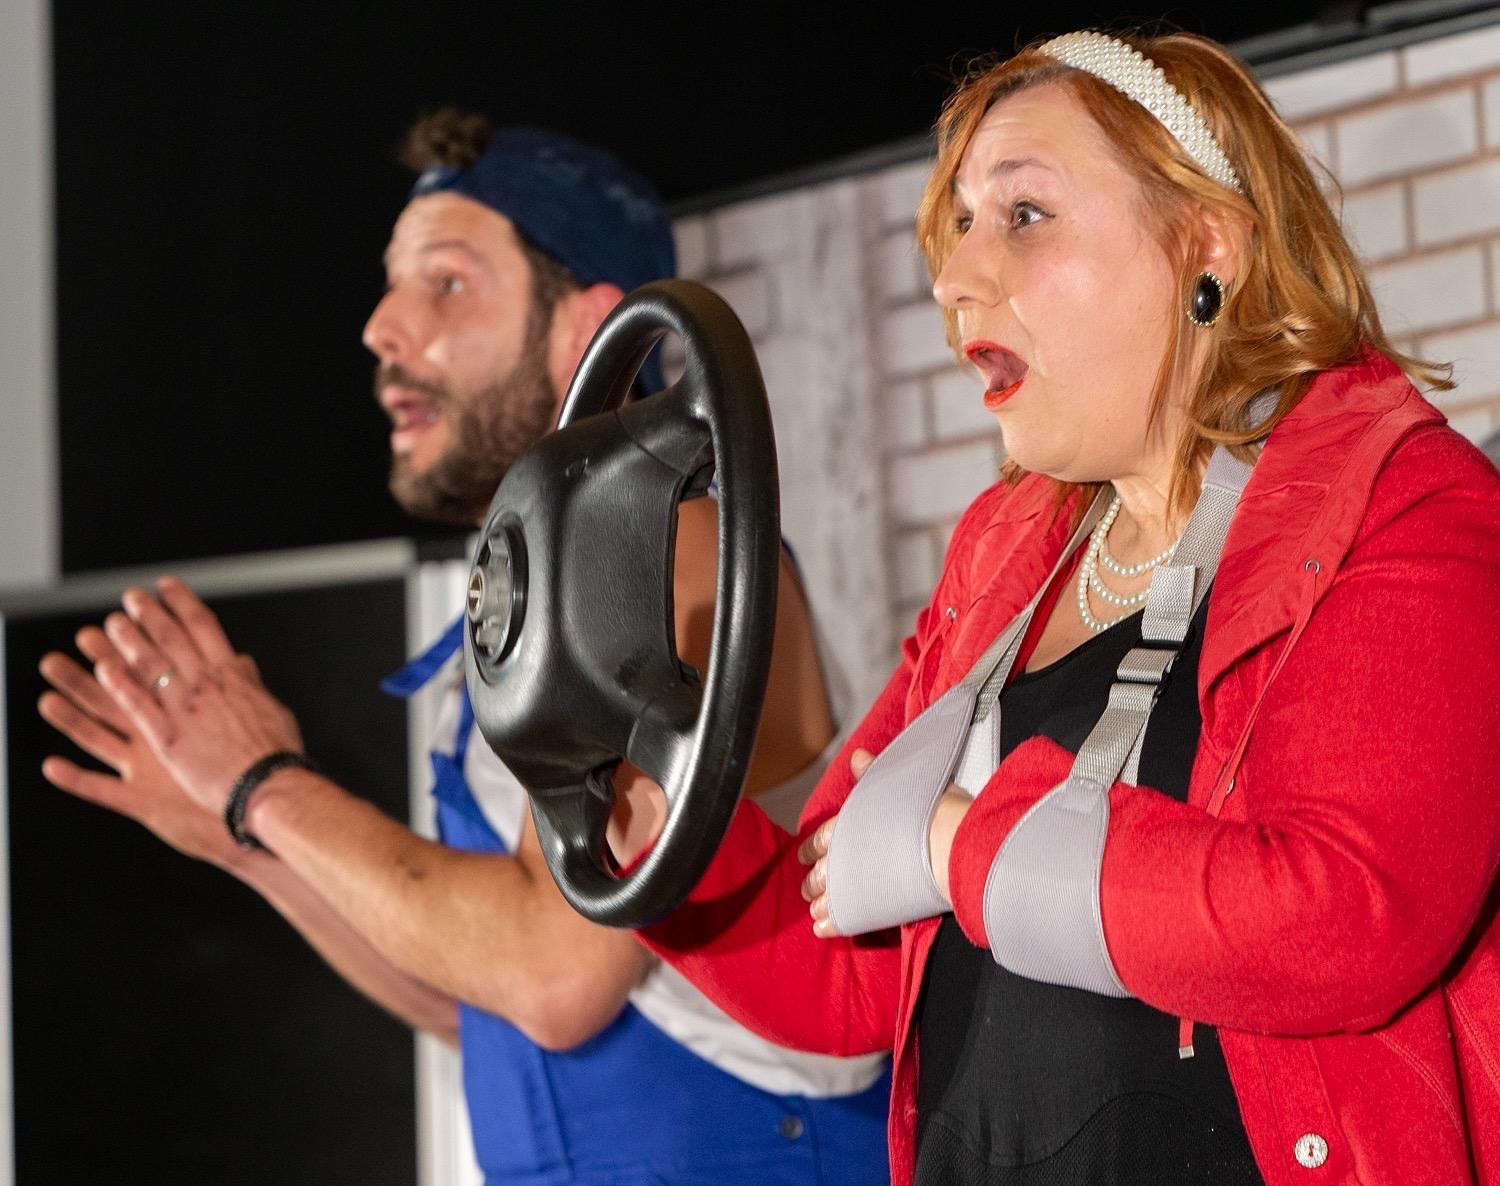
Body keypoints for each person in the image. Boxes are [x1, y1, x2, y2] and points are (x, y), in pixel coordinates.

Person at [630, 30, 1500, 1186]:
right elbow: (849, 960)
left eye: (1024, 214)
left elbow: (1342, 917)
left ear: (1208, 241)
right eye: (960, 227)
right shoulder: (1001, 554)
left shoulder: (1402, 502)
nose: (955, 277)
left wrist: (962, 845)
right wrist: (658, 835)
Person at [38, 111, 890, 1185]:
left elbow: (554, 977)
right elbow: (471, 1005)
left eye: (445, 283)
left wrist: (266, 784)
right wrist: (244, 835)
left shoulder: (673, 544)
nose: (382, 330)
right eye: (393, 287)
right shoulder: (514, 618)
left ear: (590, 330)